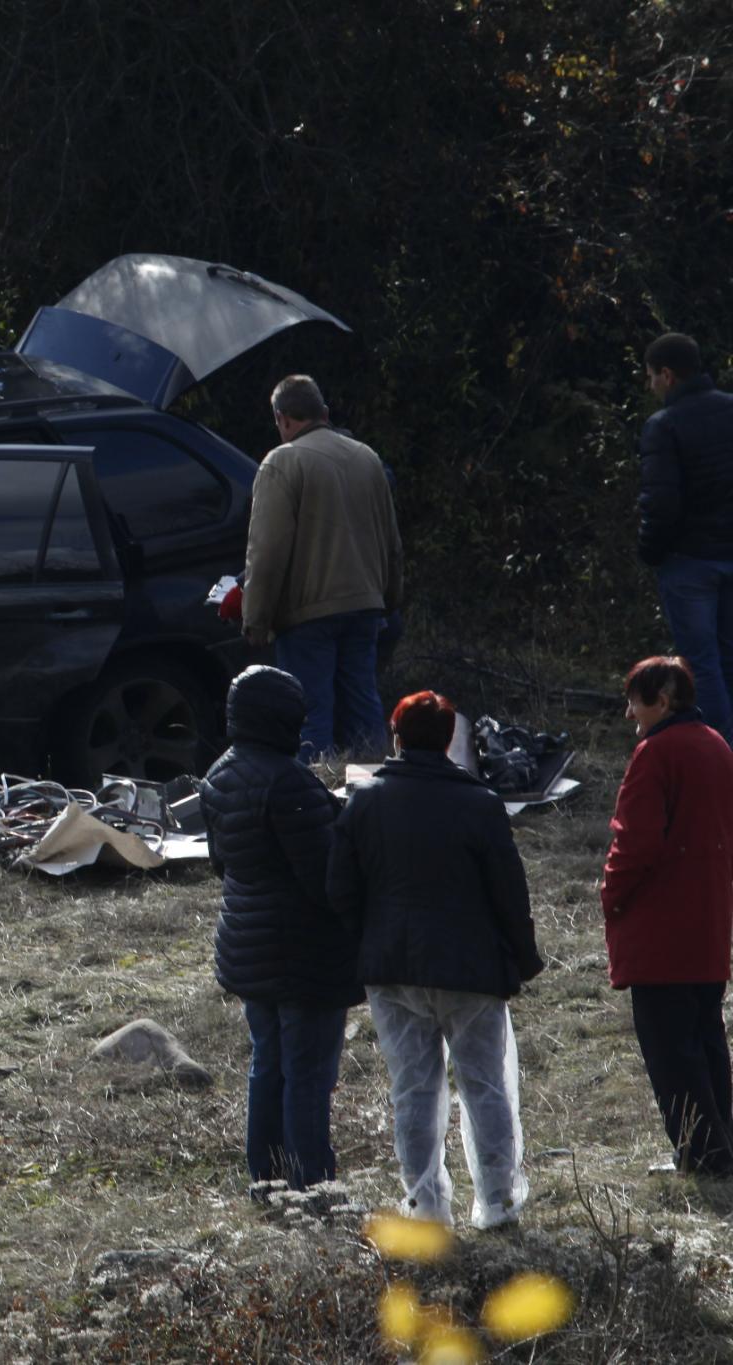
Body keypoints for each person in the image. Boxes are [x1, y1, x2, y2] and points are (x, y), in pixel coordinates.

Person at [328, 690, 542, 1229]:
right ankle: (499, 1202)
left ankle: (426, 1206)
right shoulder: (479, 803)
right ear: (451, 740)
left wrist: (367, 942)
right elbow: (509, 894)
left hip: (392, 967)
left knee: (413, 1091)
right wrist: (523, 957)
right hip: (471, 970)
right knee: (486, 1087)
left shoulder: (364, 800)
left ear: (394, 736)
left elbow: (340, 889)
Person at [198, 664, 360, 1189]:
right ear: (280, 718)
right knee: (308, 1074)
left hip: (247, 945)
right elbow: (327, 881)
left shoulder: (219, 773)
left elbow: (222, 862)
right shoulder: (290, 782)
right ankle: (310, 1183)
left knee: (268, 1066)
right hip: (303, 955)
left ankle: (264, 1177)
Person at [601, 655, 733, 1177]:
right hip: (708, 923)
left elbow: (635, 842)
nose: (632, 712)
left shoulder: (654, 754)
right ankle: (721, 1145)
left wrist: (611, 893)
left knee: (670, 1051)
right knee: (705, 1040)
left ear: (662, 700)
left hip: (661, 928)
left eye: (637, 700)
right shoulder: (719, 746)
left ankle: (699, 1156)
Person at [240, 375, 403, 760]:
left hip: (308, 615)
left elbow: (267, 550)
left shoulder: (281, 462)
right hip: (365, 606)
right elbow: (391, 541)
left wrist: (256, 618)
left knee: (310, 717)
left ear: (281, 419)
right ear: (324, 413)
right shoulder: (367, 457)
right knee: (363, 708)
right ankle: (371, 799)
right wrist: (390, 599)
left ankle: (314, 802)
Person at [636, 333, 733, 743]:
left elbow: (662, 503)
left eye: (652, 376)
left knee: (702, 664)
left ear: (668, 375)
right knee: (728, 659)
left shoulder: (664, 426)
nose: (650, 385)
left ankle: (720, 756)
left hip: (690, 561)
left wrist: (651, 551)